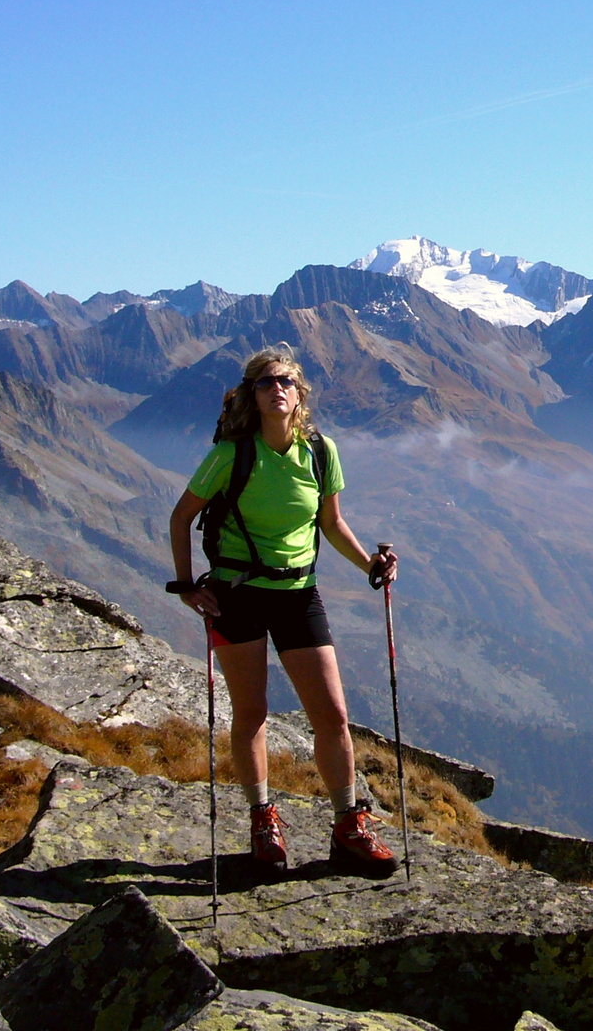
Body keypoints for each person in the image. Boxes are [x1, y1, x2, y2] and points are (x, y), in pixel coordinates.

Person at [168, 344, 401, 877]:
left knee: (333, 716)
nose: (278, 389)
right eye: (266, 382)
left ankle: (348, 825)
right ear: (252, 395)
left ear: (300, 395)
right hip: (237, 594)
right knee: (251, 713)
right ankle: (263, 821)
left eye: (287, 382)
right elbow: (181, 518)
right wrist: (185, 586)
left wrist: (370, 563)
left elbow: (331, 522)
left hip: (299, 594)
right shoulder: (232, 454)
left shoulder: (320, 452)